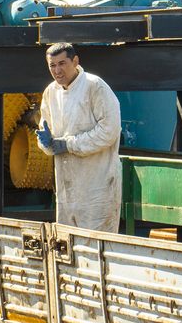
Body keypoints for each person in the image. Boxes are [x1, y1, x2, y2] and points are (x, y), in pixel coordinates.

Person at [36, 42, 122, 232]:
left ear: (75, 61)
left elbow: (109, 131)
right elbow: (46, 127)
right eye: (52, 65)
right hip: (66, 190)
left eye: (62, 63)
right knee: (69, 247)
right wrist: (45, 143)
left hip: (97, 188)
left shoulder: (95, 86)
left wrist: (69, 144)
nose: (57, 70)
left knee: (97, 246)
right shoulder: (51, 92)